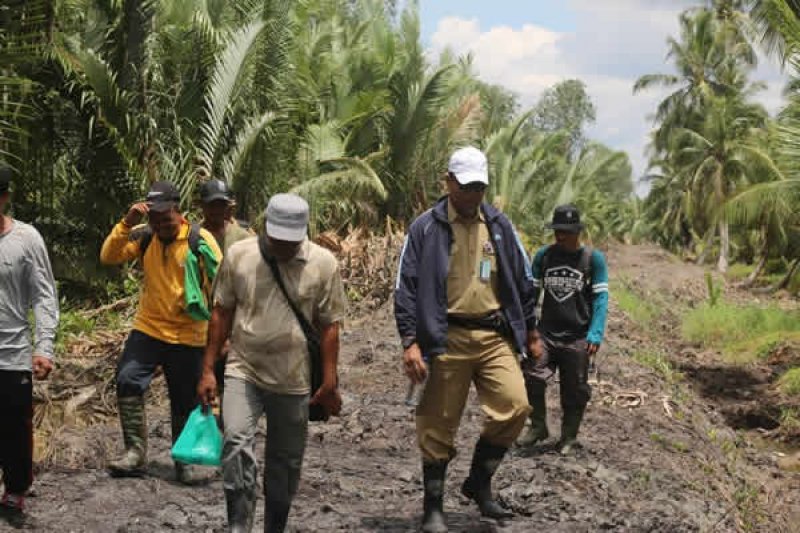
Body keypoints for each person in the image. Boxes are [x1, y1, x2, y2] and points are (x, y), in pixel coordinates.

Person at [394, 146, 537, 532]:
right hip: (445, 337)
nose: (474, 195)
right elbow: (405, 288)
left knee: (516, 406)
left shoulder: (499, 226)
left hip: (493, 335)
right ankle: (434, 508)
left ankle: (479, 481)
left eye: (480, 187)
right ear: (449, 182)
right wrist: (411, 341)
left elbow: (523, 280)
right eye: (468, 186)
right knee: (437, 423)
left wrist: (532, 331)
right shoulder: (425, 227)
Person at [198, 193, 345, 533]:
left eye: (290, 241)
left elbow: (330, 326)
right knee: (235, 441)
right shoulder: (240, 255)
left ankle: (274, 526)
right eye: (277, 238)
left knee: (285, 461)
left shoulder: (323, 264)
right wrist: (207, 369)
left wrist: (329, 380)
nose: (283, 247)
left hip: (293, 378)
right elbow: (220, 312)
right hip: (243, 368)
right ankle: (239, 522)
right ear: (266, 227)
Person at [100, 181, 222, 483]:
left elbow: (223, 283)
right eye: (153, 219)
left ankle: (182, 460)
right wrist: (127, 222)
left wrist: (225, 335)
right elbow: (108, 256)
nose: (160, 224)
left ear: (177, 211)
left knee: (184, 399)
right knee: (128, 379)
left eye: (164, 217)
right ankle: (135, 452)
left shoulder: (199, 240)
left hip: (189, 333)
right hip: (149, 328)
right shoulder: (144, 237)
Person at [516, 205, 609, 455]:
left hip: (578, 336)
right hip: (546, 333)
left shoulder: (592, 260)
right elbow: (531, 295)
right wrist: (528, 328)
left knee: (575, 388)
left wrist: (595, 333)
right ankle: (537, 426)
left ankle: (568, 436)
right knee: (532, 375)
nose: (560, 236)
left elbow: (601, 300)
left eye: (566, 231)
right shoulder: (544, 256)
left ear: (577, 232)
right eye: (557, 231)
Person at [0, 166, 59, 526]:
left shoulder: (26, 239)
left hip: (12, 353)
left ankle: (16, 489)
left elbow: (44, 296)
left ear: (4, 197)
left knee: (15, 427)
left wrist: (44, 347)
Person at [198, 179, 253, 415]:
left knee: (230, 384)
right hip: (200, 322)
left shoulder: (244, 238)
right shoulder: (193, 237)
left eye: (221, 205)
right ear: (203, 207)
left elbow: (250, 287)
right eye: (212, 205)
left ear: (229, 207)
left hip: (233, 322)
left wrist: (230, 334)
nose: (216, 211)